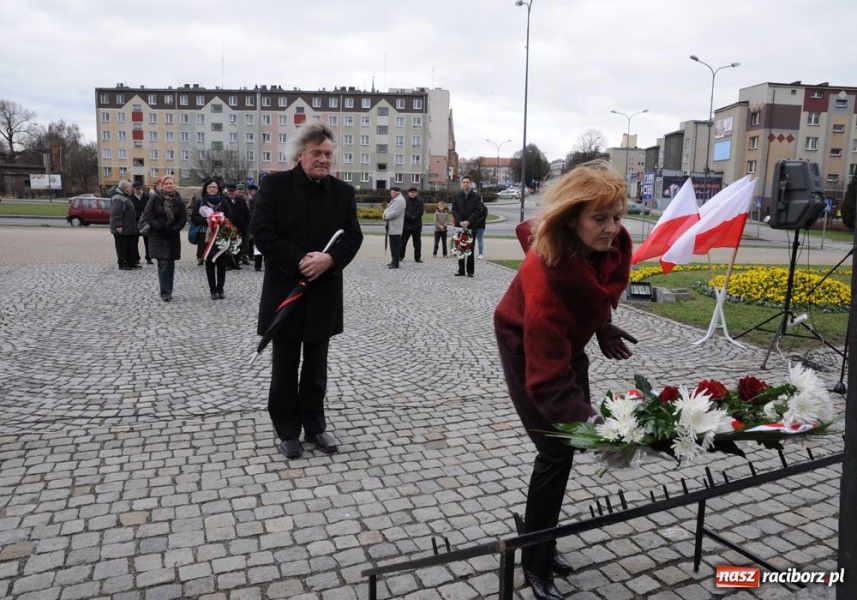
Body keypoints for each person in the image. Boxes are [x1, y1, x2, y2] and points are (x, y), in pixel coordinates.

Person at [493, 160, 637, 600]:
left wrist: (603, 326)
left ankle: (540, 534)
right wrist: (598, 429)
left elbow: (592, 288)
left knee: (563, 450)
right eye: (599, 218)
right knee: (556, 450)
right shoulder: (546, 282)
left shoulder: (606, 245)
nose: (613, 228)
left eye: (616, 216)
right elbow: (548, 381)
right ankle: (535, 558)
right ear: (570, 219)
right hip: (527, 350)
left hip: (565, 346)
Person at [251, 122, 363, 460]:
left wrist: (329, 260)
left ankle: (314, 426)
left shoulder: (343, 193)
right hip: (286, 290)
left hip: (324, 293)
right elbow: (261, 232)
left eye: (328, 154)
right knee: (284, 365)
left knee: (316, 367)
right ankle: (287, 429)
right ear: (300, 154)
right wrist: (300, 261)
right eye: (317, 153)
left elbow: (353, 237)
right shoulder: (275, 186)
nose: (323, 159)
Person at [141, 176, 186, 302]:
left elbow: (183, 219)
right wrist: (159, 227)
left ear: (174, 185)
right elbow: (147, 215)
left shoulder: (179, 200)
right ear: (162, 185)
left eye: (171, 183)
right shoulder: (155, 198)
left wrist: (175, 228)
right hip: (158, 235)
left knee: (171, 264)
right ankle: (165, 292)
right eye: (166, 183)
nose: (169, 185)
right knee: (163, 263)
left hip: (172, 235)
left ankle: (169, 290)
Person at [192, 179, 234, 300]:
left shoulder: (224, 202)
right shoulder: (201, 202)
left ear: (218, 189)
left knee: (221, 264)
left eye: (214, 187)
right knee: (209, 264)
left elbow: (230, 217)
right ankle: (213, 290)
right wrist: (207, 220)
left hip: (221, 237)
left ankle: (220, 289)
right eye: (210, 187)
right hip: (207, 237)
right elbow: (194, 218)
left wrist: (221, 221)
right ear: (206, 188)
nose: (212, 189)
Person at [451, 175, 485, 277]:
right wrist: (460, 221)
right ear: (462, 183)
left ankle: (470, 271)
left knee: (470, 248)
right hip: (459, 226)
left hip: (470, 226)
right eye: (464, 182)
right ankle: (461, 270)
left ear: (471, 183)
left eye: (467, 182)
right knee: (460, 248)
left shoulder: (476, 197)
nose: (465, 184)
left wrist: (468, 221)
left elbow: (478, 211)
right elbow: (454, 210)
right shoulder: (457, 196)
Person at [110, 180, 139, 270]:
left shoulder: (125, 196)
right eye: (130, 187)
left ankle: (130, 262)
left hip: (129, 227)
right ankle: (122, 264)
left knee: (130, 246)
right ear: (125, 188)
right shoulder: (118, 198)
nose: (131, 189)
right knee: (122, 246)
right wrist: (118, 225)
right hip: (122, 227)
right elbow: (116, 213)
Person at [225, 184, 250, 270]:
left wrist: (245, 224)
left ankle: (236, 263)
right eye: (229, 191)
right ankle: (228, 264)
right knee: (228, 246)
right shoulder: (224, 201)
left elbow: (247, 215)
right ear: (227, 192)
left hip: (240, 228)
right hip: (227, 228)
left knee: (238, 246)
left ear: (236, 192)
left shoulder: (241, 201)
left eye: (233, 191)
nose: (231, 193)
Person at [383, 187, 405, 269]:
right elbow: (387, 209)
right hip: (392, 226)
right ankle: (393, 260)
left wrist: (386, 216)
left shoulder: (400, 200)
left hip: (396, 226)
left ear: (396, 192)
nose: (390, 193)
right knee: (392, 245)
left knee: (395, 245)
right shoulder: (395, 200)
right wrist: (385, 215)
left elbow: (395, 213)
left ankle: (396, 263)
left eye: (391, 192)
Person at [399, 187, 424, 262]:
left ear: (417, 193)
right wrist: (410, 216)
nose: (412, 193)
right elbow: (403, 210)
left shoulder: (420, 202)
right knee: (403, 242)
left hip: (416, 225)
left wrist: (414, 217)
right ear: (408, 193)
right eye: (411, 192)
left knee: (417, 243)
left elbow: (420, 211)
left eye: (414, 192)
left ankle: (417, 257)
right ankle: (400, 256)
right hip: (406, 225)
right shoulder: (404, 201)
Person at [129, 181, 151, 265]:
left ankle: (149, 257)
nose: (138, 190)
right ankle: (136, 258)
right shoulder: (130, 198)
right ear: (133, 189)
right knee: (135, 241)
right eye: (136, 189)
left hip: (145, 222)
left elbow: (149, 209)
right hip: (135, 222)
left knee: (147, 241)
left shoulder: (147, 197)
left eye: (140, 188)